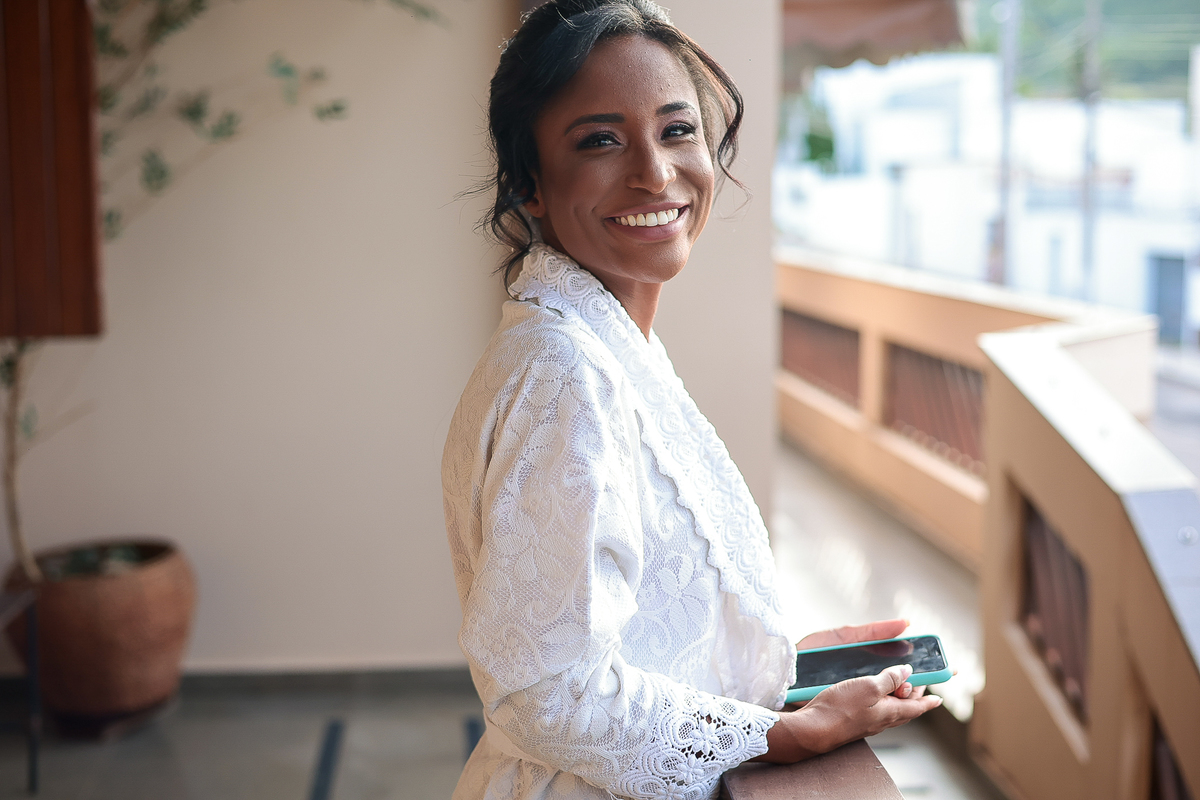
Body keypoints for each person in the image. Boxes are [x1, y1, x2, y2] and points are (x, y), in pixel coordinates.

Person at [441, 2, 942, 798]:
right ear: (531, 183)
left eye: (677, 130)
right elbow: (545, 688)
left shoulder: (606, 344)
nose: (654, 172)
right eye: (600, 140)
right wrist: (785, 734)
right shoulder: (564, 373)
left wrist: (777, 670)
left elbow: (632, 630)